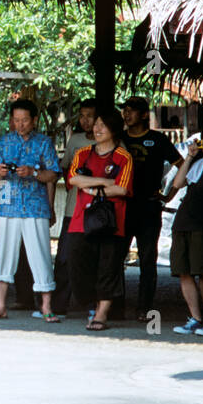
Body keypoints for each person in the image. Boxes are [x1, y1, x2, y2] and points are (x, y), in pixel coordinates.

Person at [0, 99, 61, 322]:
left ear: (34, 120)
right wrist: (0, 173)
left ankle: (46, 307)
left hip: (36, 206)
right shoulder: (3, 142)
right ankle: (0, 305)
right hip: (8, 205)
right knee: (3, 255)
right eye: (16, 120)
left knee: (41, 255)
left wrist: (34, 173)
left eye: (25, 120)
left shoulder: (44, 143)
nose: (20, 124)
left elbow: (53, 175)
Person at [115, 96, 182, 322]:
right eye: (125, 110)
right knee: (116, 258)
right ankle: (115, 306)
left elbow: (182, 165)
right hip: (122, 206)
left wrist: (168, 195)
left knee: (147, 259)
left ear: (144, 115)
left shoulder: (158, 139)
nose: (127, 114)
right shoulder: (118, 138)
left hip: (148, 208)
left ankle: (144, 307)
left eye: (132, 110)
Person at [67, 108, 134, 331]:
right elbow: (74, 178)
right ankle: (92, 304)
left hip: (110, 220)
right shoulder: (83, 152)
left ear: (114, 129)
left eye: (103, 125)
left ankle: (102, 314)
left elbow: (122, 189)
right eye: (96, 124)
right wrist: (104, 182)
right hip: (81, 219)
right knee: (76, 262)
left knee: (109, 266)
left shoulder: (123, 156)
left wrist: (94, 190)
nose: (97, 128)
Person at [44, 99, 97, 319]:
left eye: (90, 116)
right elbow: (63, 170)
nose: (85, 121)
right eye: (82, 116)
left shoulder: (115, 144)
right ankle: (59, 304)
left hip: (99, 211)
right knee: (65, 258)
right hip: (72, 209)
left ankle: (95, 304)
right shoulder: (75, 140)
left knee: (95, 258)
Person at [169, 134, 203, 335]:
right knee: (184, 270)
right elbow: (178, 183)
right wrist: (190, 157)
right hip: (184, 221)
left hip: (202, 224)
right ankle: (196, 318)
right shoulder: (198, 163)